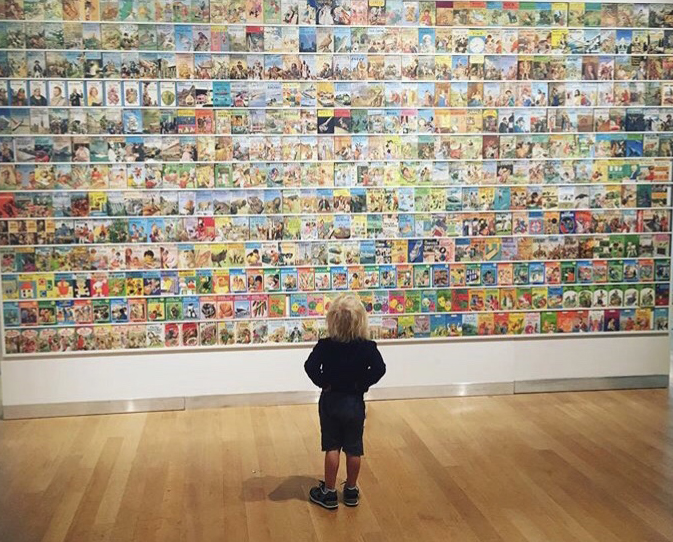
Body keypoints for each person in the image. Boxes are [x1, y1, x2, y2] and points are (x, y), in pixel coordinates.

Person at [304, 294, 386, 510]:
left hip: (331, 400)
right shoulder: (367, 347)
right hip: (354, 402)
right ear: (361, 321)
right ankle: (351, 489)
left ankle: (329, 492)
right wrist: (362, 385)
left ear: (332, 320)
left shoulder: (325, 346)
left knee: (332, 446)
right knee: (354, 448)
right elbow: (380, 369)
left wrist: (324, 383)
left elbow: (310, 367)